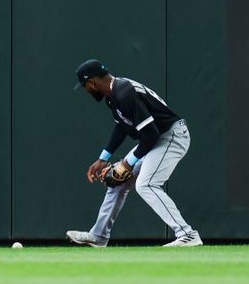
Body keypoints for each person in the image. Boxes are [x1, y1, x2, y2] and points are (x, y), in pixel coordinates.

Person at [66, 59, 202, 249]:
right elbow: (121, 126)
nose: (87, 90)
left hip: (171, 136)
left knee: (146, 184)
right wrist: (103, 158)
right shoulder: (115, 93)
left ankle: (187, 234)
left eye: (86, 85)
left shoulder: (124, 93)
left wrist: (127, 163)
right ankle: (98, 236)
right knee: (117, 184)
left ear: (93, 82)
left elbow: (151, 134)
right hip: (157, 138)